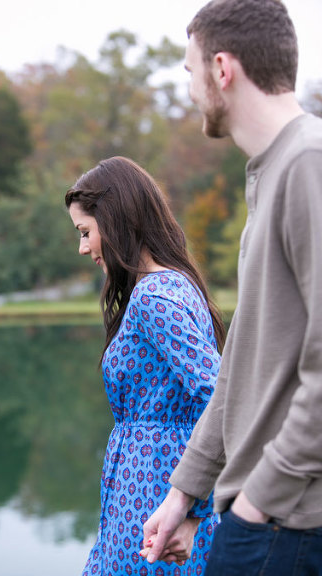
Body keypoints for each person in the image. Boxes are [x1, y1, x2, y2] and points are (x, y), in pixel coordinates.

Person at [142, 0, 322, 572]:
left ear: (223, 69)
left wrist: (256, 501)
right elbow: (239, 368)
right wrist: (182, 495)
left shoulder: (308, 165)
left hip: (287, 524)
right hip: (263, 519)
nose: (190, 89)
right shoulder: (273, 172)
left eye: (190, 72)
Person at [65, 156, 225, 574]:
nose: (82, 247)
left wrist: (192, 509)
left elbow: (221, 397)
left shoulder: (154, 297)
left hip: (153, 493)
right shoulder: (173, 284)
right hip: (147, 489)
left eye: (85, 233)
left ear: (114, 220)